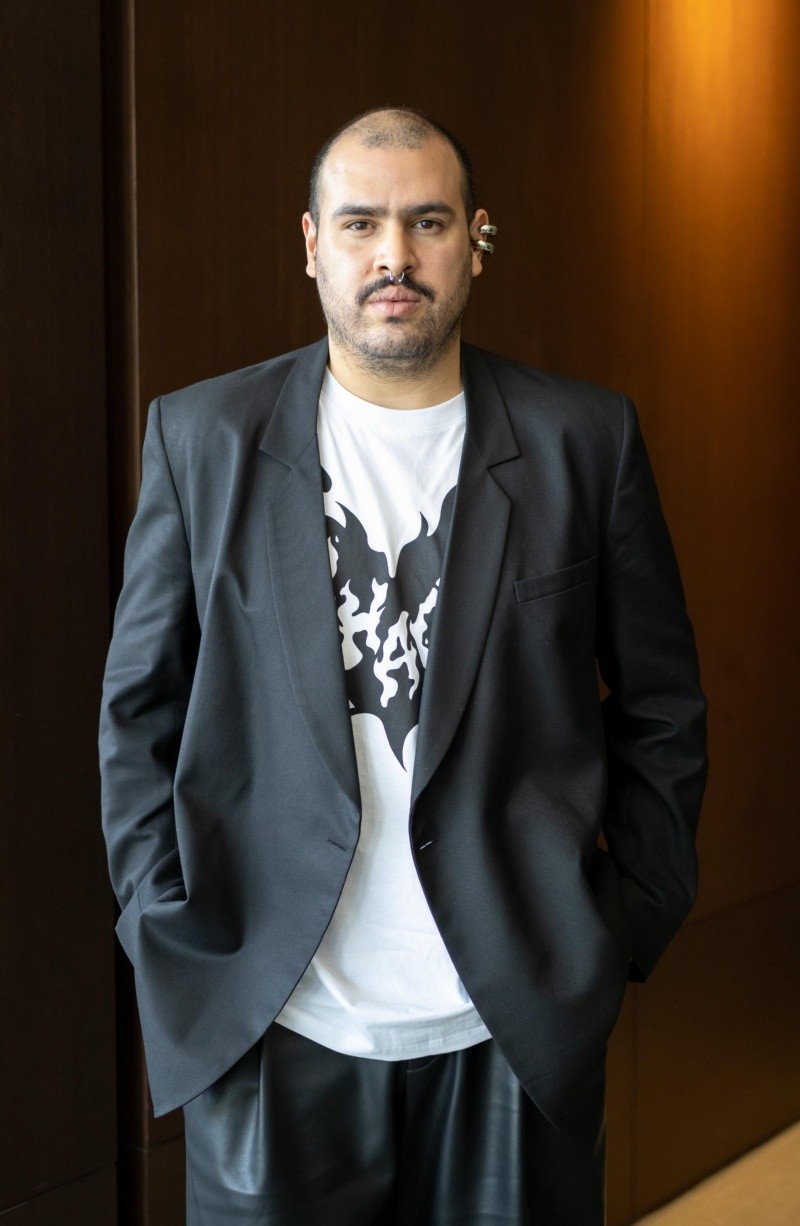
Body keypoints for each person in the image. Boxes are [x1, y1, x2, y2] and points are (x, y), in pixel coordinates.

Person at [100, 107, 707, 1225]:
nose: (394, 254)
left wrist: (621, 920)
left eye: (428, 222)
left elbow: (662, 706)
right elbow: (138, 713)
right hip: (273, 1016)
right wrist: (161, 923)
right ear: (311, 243)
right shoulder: (203, 439)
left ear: (476, 238)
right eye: (360, 223)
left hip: (512, 1024)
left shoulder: (584, 442)